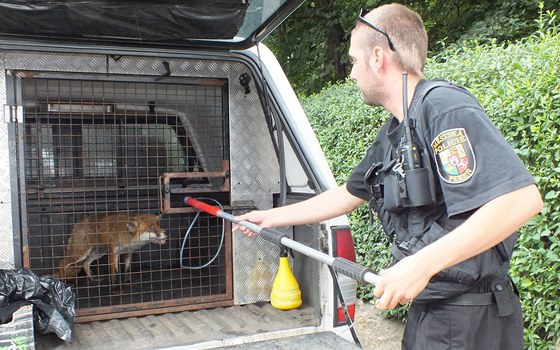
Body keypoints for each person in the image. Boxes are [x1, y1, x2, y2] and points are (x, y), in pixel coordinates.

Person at [234, 3, 543, 349]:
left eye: (353, 60)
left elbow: (522, 199)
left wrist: (419, 265)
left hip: (472, 322)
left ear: (378, 57)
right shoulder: (394, 131)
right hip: (433, 312)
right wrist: (269, 218)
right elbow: (347, 195)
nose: (351, 73)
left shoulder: (443, 107)